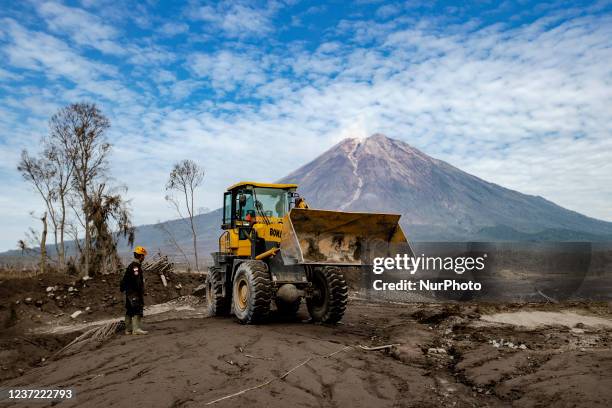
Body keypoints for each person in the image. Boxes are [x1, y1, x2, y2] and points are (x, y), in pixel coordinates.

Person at [120, 246, 148, 335]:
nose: (144, 257)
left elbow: (124, 280)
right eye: (143, 256)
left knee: (129, 310)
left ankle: (128, 330)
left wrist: (124, 290)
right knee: (137, 309)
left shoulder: (131, 265)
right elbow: (137, 281)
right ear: (140, 256)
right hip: (134, 293)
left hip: (129, 292)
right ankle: (136, 329)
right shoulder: (135, 267)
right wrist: (141, 291)